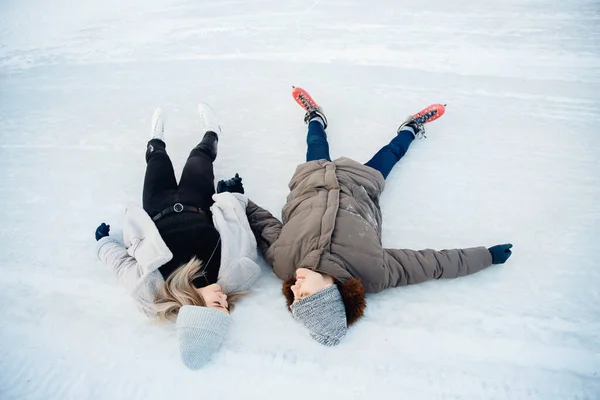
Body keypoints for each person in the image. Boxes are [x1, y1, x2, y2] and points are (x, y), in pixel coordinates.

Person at [246, 88, 513, 346]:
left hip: (311, 182)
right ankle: (412, 126)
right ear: (329, 294)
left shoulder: (284, 263)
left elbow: (262, 224)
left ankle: (315, 116)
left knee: (315, 142)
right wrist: (487, 256)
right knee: (391, 154)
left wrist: (237, 198)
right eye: (303, 294)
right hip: (361, 187)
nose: (293, 288)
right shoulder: (373, 273)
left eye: (294, 297)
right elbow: (433, 263)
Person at [94, 104, 260, 368]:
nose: (225, 301)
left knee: (157, 160)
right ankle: (211, 132)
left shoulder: (156, 292)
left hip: (157, 207)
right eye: (226, 307)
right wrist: (235, 196)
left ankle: (155, 138)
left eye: (218, 306)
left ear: (196, 310)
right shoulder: (231, 273)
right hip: (197, 201)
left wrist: (104, 244)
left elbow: (123, 268)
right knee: (200, 157)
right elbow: (242, 232)